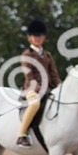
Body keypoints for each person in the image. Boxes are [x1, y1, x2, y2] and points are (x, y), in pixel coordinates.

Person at [16, 19, 61, 147]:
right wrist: (42, 89)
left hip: (49, 89)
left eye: (40, 36)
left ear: (44, 37)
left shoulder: (48, 55)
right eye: (34, 36)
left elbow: (54, 75)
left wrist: (60, 86)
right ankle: (21, 135)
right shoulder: (26, 55)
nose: (37, 38)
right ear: (29, 37)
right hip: (32, 89)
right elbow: (30, 77)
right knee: (35, 104)